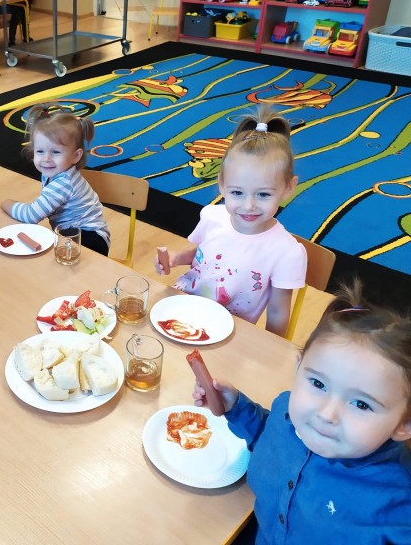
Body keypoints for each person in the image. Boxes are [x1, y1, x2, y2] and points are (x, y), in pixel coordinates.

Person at [194, 281, 411, 544]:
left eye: (361, 404)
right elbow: (269, 437)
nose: (326, 414)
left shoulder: (396, 508)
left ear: (405, 424)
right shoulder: (288, 414)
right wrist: (236, 408)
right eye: (318, 384)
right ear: (298, 368)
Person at [155, 105, 306, 336]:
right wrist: (177, 258)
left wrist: (271, 350)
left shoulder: (287, 252)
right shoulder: (212, 216)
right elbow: (204, 253)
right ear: (222, 185)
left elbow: (277, 312)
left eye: (263, 194)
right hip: (183, 307)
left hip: (228, 332)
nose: (249, 205)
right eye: (237, 193)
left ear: (288, 187)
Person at [0, 103, 110, 256]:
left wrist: (6, 203)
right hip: (73, 234)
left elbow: (30, 216)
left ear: (76, 156)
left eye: (56, 152)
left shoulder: (63, 182)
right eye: (40, 151)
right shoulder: (52, 172)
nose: (46, 159)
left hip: (90, 240)